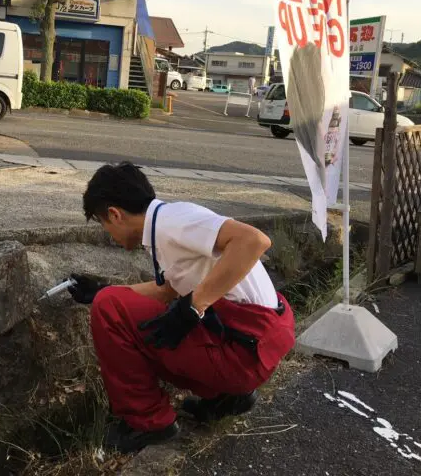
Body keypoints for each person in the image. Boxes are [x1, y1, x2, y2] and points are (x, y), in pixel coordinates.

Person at [69, 162, 295, 453]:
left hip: (243, 353)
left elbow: (254, 240)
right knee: (117, 303)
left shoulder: (173, 222)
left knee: (108, 309)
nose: (109, 234)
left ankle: (148, 422)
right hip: (253, 346)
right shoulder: (165, 224)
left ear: (115, 214)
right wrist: (101, 290)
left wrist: (194, 306)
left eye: (104, 225)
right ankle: (226, 396)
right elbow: (167, 291)